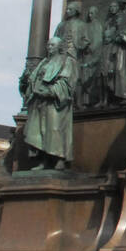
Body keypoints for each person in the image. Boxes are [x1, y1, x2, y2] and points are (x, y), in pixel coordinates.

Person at [22, 37, 78, 169]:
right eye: (48, 45)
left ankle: (60, 159)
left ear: (59, 47)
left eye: (52, 45)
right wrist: (28, 81)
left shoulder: (67, 61)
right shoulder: (44, 62)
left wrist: (51, 91)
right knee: (41, 131)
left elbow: (67, 82)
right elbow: (33, 79)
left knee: (55, 130)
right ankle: (44, 161)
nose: (49, 47)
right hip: (40, 100)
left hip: (55, 102)